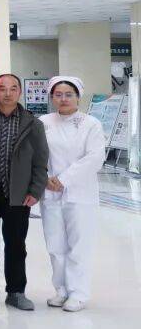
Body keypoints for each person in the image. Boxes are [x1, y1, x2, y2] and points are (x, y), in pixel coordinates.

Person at [0, 74, 48, 311]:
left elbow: (40, 161)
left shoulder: (33, 124)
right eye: (2, 88)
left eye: (13, 88)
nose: (7, 93)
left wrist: (35, 190)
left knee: (16, 245)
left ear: (19, 92)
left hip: (18, 195)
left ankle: (16, 291)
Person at [40, 76, 104, 312]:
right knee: (55, 244)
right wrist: (45, 177)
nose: (63, 99)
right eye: (58, 95)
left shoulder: (91, 124)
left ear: (78, 97)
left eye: (69, 94)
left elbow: (94, 157)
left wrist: (64, 179)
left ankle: (78, 293)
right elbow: (36, 154)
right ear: (51, 97)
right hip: (50, 192)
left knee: (79, 245)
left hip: (80, 192)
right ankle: (61, 290)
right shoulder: (43, 122)